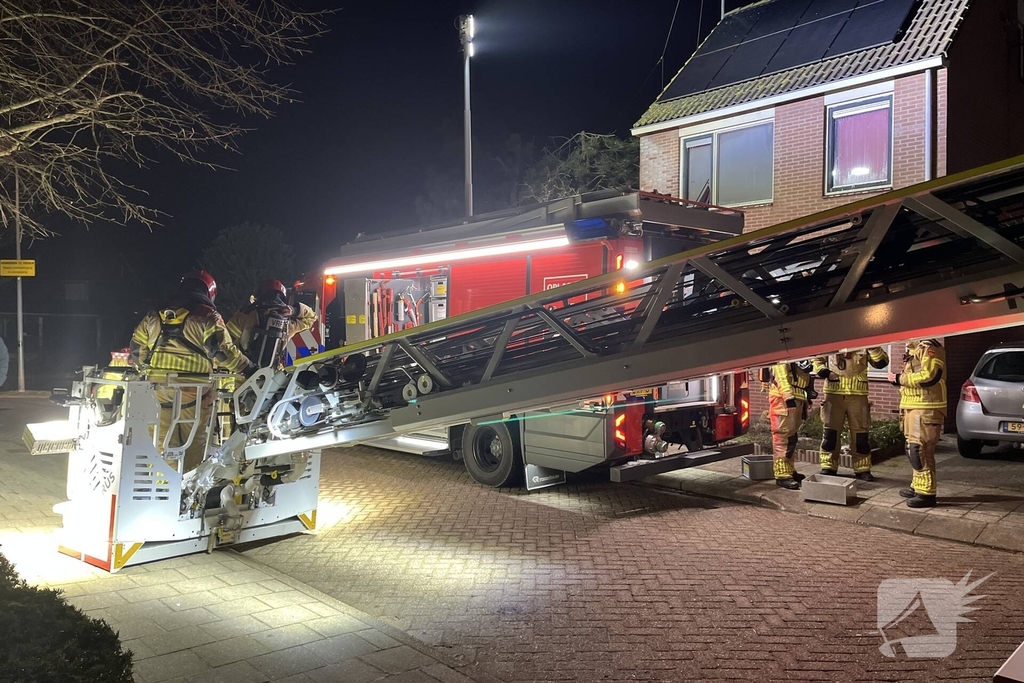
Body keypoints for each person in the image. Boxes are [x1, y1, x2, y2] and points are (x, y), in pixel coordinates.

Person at [130, 270, 254, 469]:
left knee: (161, 444)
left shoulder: (154, 314)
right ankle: (187, 490)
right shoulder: (207, 316)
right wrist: (249, 368)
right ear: (209, 292)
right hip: (193, 393)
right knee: (193, 445)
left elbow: (137, 351)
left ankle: (163, 489)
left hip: (157, 392)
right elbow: (223, 353)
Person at [812, 347, 889, 480]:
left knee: (861, 434)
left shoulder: (865, 341)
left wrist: (873, 347)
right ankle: (828, 466)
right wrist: (826, 373)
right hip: (833, 394)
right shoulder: (831, 340)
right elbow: (816, 360)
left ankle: (862, 468)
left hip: (858, 395)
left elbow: (882, 363)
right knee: (830, 432)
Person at [889, 339, 946, 508]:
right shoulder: (915, 349)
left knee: (921, 449)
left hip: (926, 407)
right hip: (914, 406)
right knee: (913, 449)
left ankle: (927, 493)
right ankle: (918, 486)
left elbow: (930, 375)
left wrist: (900, 378)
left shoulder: (929, 347)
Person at [226, 279, 316, 368]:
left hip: (246, 374)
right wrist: (294, 310)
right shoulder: (288, 323)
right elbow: (312, 317)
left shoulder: (245, 316)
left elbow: (226, 342)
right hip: (272, 375)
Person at [767, 360, 813, 489]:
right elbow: (781, 375)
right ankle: (782, 475)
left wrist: (806, 397)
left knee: (791, 437)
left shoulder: (797, 354)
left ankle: (789, 470)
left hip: (796, 398)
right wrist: (788, 398)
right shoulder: (783, 353)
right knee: (783, 438)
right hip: (783, 400)